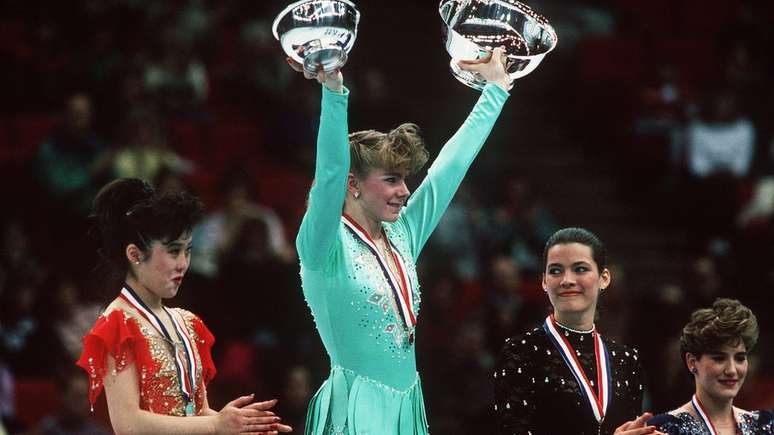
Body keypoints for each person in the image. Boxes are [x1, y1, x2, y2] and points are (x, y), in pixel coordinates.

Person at [290, 46, 512, 434]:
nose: (405, 191)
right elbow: (328, 173)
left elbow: (449, 170)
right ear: (353, 184)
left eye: (405, 179)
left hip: (407, 408)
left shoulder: (401, 234)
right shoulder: (323, 245)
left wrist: (493, 92)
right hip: (354, 413)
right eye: (391, 179)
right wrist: (333, 92)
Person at [76, 178, 292, 435]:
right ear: (134, 255)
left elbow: (196, 413)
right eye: (173, 251)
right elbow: (128, 424)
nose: (183, 264)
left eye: (188, 251)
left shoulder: (186, 322)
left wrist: (240, 426)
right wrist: (215, 424)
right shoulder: (117, 322)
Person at [494, 227, 654, 434]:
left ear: (604, 278)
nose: (567, 280)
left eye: (580, 269)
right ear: (544, 281)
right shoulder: (520, 352)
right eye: (555, 270)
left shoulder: (626, 360)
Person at [648, 298, 774, 434]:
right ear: (692, 362)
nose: (732, 370)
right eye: (719, 358)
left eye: (740, 358)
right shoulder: (664, 428)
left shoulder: (765, 425)